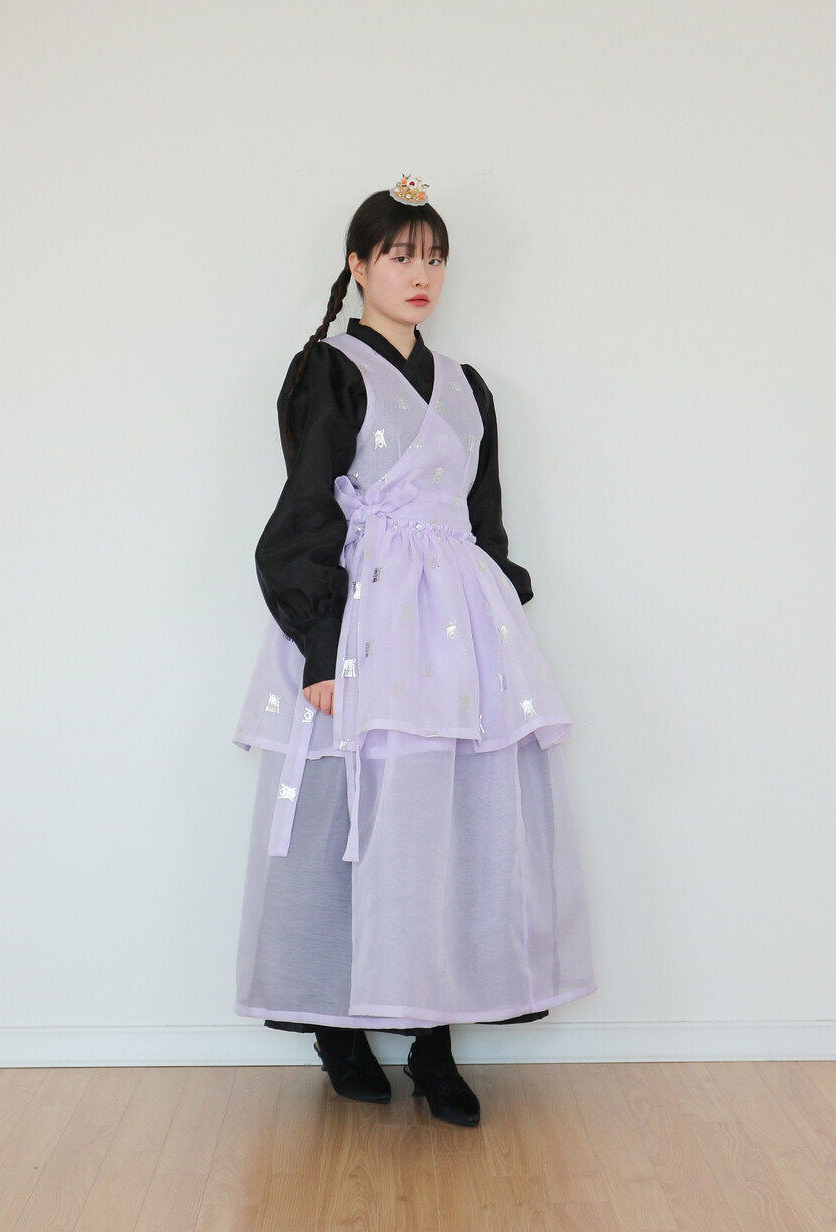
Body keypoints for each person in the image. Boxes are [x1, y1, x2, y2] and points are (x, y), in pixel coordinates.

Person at [232, 174, 597, 1128]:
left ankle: (435, 1039)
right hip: (369, 622)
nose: (420, 273)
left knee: (450, 821)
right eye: (400, 255)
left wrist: (503, 624)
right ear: (358, 265)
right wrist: (321, 649)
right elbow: (305, 512)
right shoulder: (329, 370)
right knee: (353, 816)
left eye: (434, 256)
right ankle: (340, 1030)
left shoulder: (469, 389)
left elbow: (484, 522)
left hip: (459, 630)